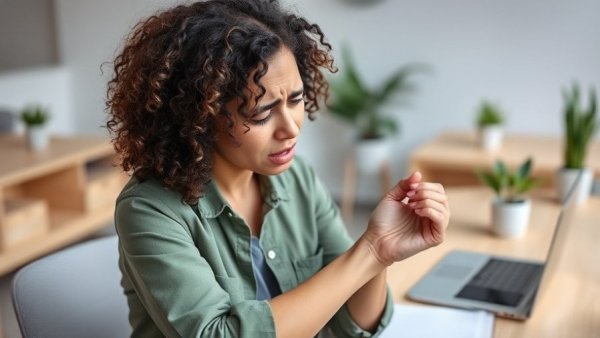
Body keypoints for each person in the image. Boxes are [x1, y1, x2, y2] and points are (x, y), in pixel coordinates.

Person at [106, 0, 450, 337]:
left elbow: (353, 325)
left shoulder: (296, 178)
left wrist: (380, 255)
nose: (291, 128)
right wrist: (368, 251)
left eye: (296, 100)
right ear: (200, 117)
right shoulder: (150, 209)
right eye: (261, 113)